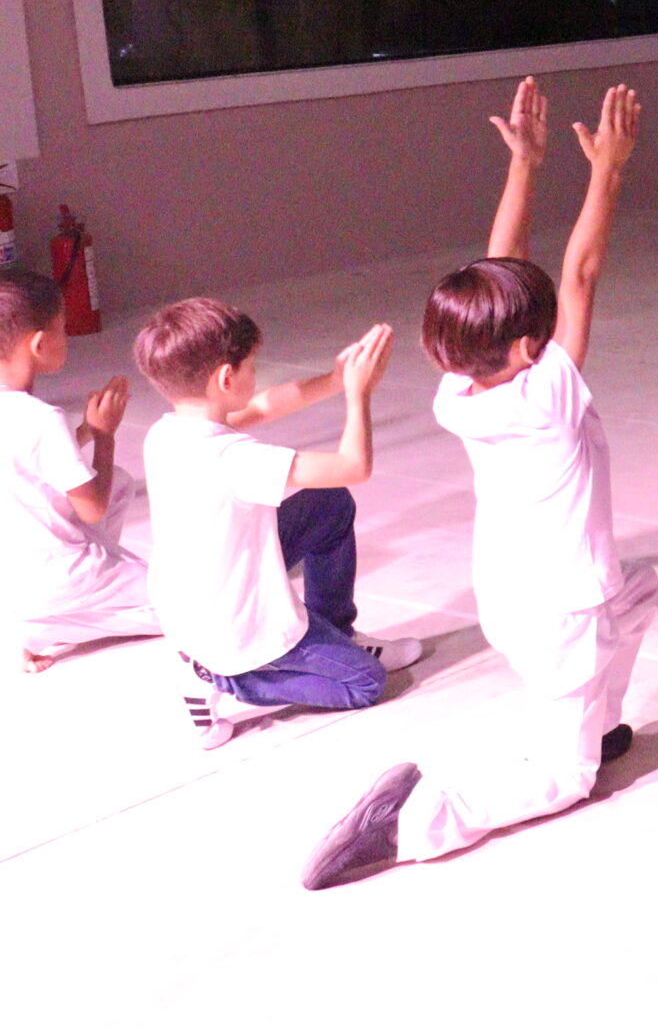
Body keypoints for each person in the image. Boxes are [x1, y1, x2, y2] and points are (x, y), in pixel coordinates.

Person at [302, 79, 658, 891]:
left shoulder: (458, 390)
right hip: (561, 611)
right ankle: (414, 821)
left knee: (640, 591)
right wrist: (607, 171)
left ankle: (598, 722)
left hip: (512, 595)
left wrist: (524, 166)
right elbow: (581, 272)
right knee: (565, 777)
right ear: (533, 349)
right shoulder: (546, 398)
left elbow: (501, 275)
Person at [137, 300, 415, 750]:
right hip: (233, 630)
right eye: (251, 366)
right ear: (226, 379)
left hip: (195, 602)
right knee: (365, 683)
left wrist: (335, 379)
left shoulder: (168, 432)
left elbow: (262, 408)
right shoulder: (233, 459)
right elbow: (352, 466)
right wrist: (358, 394)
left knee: (327, 504)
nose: (255, 374)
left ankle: (336, 631)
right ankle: (219, 677)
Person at [0, 269, 155, 672]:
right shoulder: (41, 418)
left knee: (119, 482)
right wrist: (104, 436)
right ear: (39, 344)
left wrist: (85, 430)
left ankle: (58, 610)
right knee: (194, 606)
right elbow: (92, 508)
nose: (67, 337)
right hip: (61, 575)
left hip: (12, 578)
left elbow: (25, 460)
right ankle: (55, 621)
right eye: (63, 328)